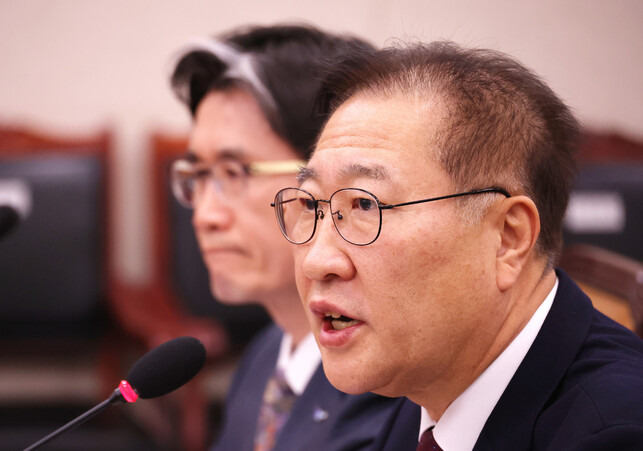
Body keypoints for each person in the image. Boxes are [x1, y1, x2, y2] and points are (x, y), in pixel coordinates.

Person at [272, 41, 643, 450]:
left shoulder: (614, 432)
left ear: (508, 238)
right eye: (311, 204)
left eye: (365, 204)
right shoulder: (425, 392)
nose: (317, 261)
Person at [169, 24, 399, 450]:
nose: (204, 216)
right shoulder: (265, 355)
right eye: (198, 175)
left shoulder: (391, 391)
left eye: (234, 173)